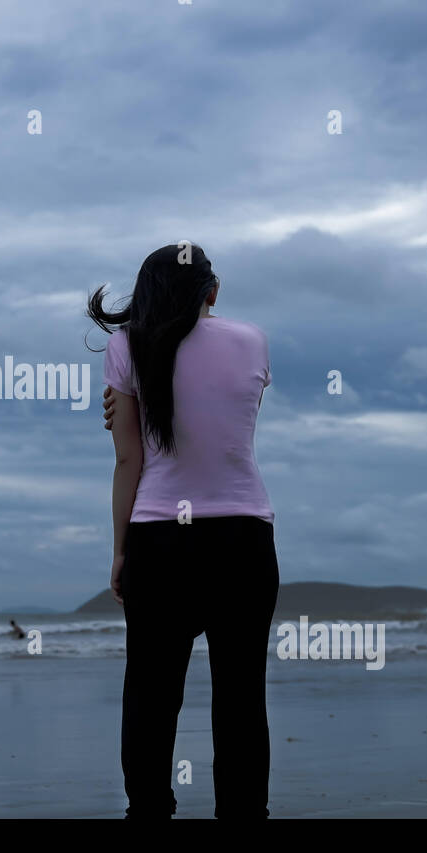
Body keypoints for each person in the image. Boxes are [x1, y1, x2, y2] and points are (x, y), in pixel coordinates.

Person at [89, 243, 279, 819]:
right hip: (242, 537)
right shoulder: (251, 341)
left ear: (143, 296)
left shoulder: (126, 346)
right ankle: (243, 814)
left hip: (160, 539)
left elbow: (130, 461)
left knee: (150, 694)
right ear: (212, 292)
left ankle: (149, 810)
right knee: (241, 695)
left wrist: (120, 550)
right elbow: (225, 427)